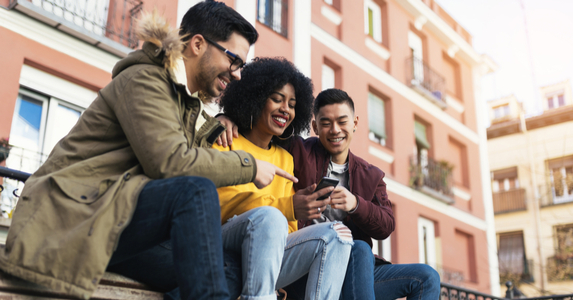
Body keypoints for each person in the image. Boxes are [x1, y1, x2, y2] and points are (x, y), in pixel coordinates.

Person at [0, 2, 296, 300]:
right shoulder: (144, 79)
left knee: (233, 268)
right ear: (197, 44)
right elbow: (170, 163)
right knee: (195, 191)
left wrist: (217, 125)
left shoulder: (185, 105)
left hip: (114, 218)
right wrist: (250, 165)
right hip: (75, 218)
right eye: (234, 61)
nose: (237, 75)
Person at [215, 57, 353, 300]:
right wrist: (286, 207)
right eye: (277, 99)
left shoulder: (284, 158)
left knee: (338, 234)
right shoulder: (225, 138)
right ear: (255, 98)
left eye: (292, 104)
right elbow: (218, 205)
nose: (285, 110)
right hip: (225, 240)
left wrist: (295, 211)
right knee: (270, 217)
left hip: (268, 254)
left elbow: (286, 229)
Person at [284, 89, 441, 299]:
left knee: (427, 277)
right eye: (326, 123)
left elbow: (387, 226)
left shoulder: (371, 175)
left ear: (355, 123)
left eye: (342, 121)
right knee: (359, 247)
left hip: (357, 271)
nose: (335, 130)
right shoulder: (298, 151)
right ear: (315, 127)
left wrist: (356, 204)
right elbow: (262, 131)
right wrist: (224, 118)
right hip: (309, 268)